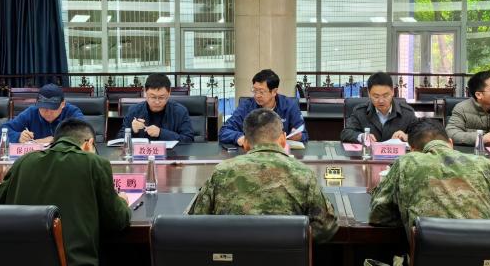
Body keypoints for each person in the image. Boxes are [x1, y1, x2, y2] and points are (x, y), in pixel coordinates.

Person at [0, 118, 131, 266]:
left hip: (19, 259)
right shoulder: (94, 163)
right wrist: (123, 201)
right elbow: (116, 220)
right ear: (89, 143)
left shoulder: (22, 162)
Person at [190, 108, 338, 243]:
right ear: (283, 139)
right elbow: (326, 228)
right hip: (285, 257)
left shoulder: (221, 172)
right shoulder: (303, 174)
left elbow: (195, 220)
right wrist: (295, 237)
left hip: (233, 256)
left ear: (245, 143)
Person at [369, 118, 490, 236]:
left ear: (413, 149)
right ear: (450, 143)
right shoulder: (485, 164)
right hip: (482, 258)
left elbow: (379, 215)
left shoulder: (406, 162)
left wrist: (408, 215)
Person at [219, 69, 307, 146]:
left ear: (274, 92)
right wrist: (239, 138)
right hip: (253, 154)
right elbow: (224, 131)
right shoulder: (246, 106)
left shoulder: (290, 106)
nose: (257, 95)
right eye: (255, 90)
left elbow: (304, 135)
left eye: (261, 92)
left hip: (280, 154)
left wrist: (299, 137)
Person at [340, 71, 417, 144]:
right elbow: (346, 133)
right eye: (376, 96)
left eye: (385, 96)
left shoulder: (407, 113)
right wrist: (362, 136)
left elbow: (420, 134)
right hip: (369, 153)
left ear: (392, 92)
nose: (381, 101)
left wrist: (407, 136)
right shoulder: (360, 112)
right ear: (369, 94)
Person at [118, 73, 195, 143]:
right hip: (143, 153)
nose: (157, 102)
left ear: (169, 93)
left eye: (161, 97)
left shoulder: (179, 111)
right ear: (145, 92)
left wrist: (161, 133)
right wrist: (132, 130)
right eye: (153, 97)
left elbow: (189, 139)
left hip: (172, 153)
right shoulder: (134, 111)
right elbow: (119, 139)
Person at [0, 83, 85, 143]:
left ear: (62, 104)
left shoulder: (71, 112)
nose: (48, 112)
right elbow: (1, 131)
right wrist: (18, 137)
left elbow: (84, 133)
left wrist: (55, 139)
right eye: (43, 108)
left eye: (53, 108)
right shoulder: (31, 112)